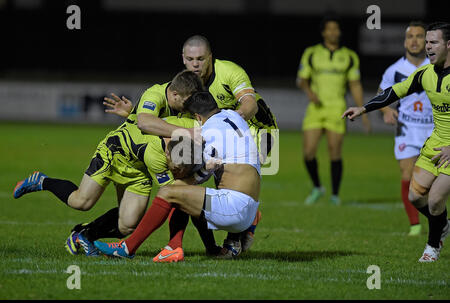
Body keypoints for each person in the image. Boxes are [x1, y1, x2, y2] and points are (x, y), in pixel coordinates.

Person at [13, 70, 206, 256]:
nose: (192, 106)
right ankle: (42, 181)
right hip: (114, 153)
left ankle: (84, 234)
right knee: (81, 202)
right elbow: (145, 123)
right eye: (188, 101)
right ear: (174, 94)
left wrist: (132, 114)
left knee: (127, 224)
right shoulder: (155, 95)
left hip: (139, 168)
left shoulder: (185, 113)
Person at [94, 91, 261, 260]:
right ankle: (186, 247)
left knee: (171, 191)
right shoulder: (233, 115)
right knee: (187, 195)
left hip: (234, 207)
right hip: (248, 204)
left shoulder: (207, 133)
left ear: (197, 116)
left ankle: (127, 248)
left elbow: (196, 176)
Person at [343, 22, 450, 262]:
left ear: (448, 45)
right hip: (435, 144)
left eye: (433, 42)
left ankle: (432, 248)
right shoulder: (425, 74)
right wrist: (363, 108)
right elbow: (394, 92)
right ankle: (443, 224)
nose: (428, 47)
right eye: (427, 42)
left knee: (434, 200)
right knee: (415, 197)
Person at [296, 15, 371, 205]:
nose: (332, 32)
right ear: (323, 32)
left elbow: (355, 85)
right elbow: (301, 79)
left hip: (337, 108)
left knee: (334, 151)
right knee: (308, 152)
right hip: (316, 108)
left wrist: (363, 113)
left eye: (335, 29)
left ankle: (335, 195)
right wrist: (309, 91)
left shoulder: (349, 56)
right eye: (329, 29)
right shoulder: (311, 53)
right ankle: (317, 187)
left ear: (339, 32)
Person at [378, 21, 433, 236]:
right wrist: (385, 111)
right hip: (407, 128)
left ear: (427, 41)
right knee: (406, 174)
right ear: (404, 41)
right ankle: (414, 225)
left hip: (434, 129)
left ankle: (436, 217)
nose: (414, 40)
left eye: (420, 36)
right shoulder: (395, 70)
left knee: (434, 181)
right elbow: (381, 95)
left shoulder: (436, 66)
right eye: (411, 36)